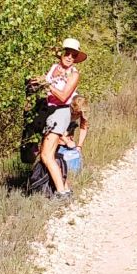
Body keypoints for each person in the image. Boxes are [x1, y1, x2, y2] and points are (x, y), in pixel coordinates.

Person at [36, 38, 86, 199]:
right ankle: (65, 188)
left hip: (60, 112)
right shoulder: (54, 68)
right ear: (61, 53)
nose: (70, 57)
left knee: (46, 155)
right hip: (48, 110)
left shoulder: (74, 74)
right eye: (67, 53)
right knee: (53, 153)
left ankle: (61, 193)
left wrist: (47, 83)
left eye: (74, 55)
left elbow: (64, 97)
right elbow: (43, 84)